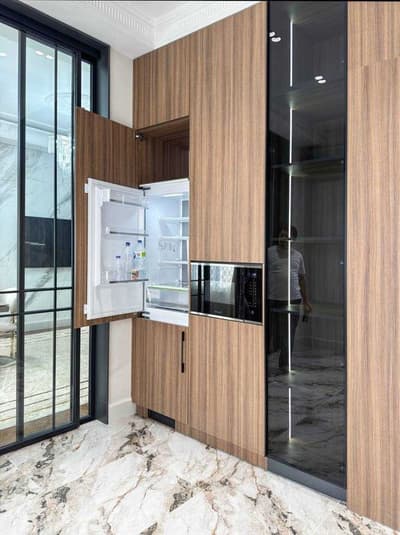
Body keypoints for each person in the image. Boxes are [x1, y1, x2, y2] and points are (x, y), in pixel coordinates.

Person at [268, 224, 312, 372]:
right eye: (281, 235)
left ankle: (284, 365)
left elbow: (302, 279)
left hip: (293, 300)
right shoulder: (269, 252)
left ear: (293, 239)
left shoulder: (298, 256)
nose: (283, 238)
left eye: (286, 236)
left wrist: (306, 302)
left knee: (289, 333)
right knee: (272, 333)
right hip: (273, 299)